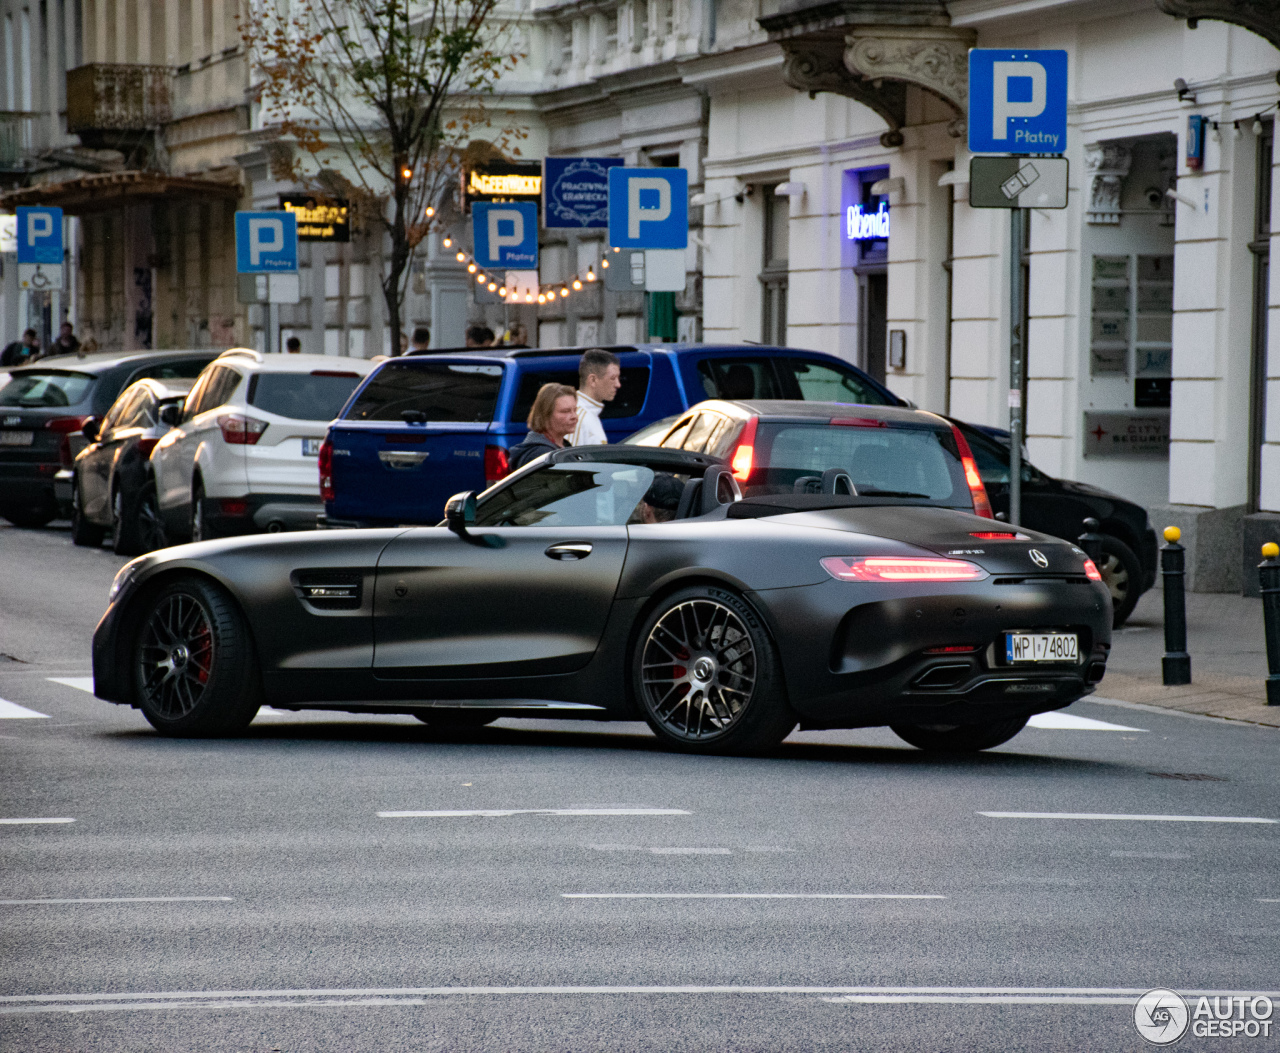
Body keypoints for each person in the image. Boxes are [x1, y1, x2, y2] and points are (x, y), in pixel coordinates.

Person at [507, 383, 578, 471]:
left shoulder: (563, 446)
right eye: (565, 411)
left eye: (575, 410)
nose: (574, 416)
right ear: (545, 415)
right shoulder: (540, 454)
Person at [569, 348, 621, 447]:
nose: (618, 384)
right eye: (613, 378)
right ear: (593, 380)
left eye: (618, 378)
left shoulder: (588, 413)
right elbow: (568, 460)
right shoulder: (577, 416)